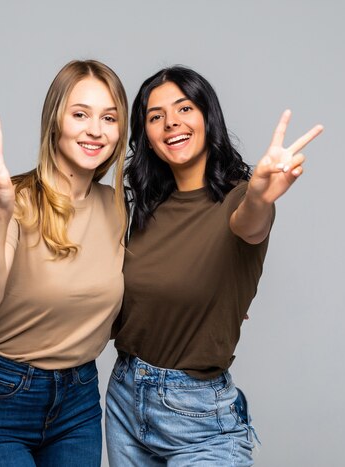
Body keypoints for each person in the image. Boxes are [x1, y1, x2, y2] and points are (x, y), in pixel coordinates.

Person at [105, 66, 323, 466]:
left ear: (208, 118)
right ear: (148, 138)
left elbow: (251, 223)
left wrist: (260, 194)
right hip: (125, 399)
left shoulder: (239, 198)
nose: (171, 122)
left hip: (199, 418)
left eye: (184, 108)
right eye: (156, 117)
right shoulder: (143, 210)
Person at [0, 60, 128, 467]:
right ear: (55, 121)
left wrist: (216, 304)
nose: (96, 130)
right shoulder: (17, 199)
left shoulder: (120, 208)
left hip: (78, 400)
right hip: (0, 397)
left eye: (109, 118)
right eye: (80, 114)